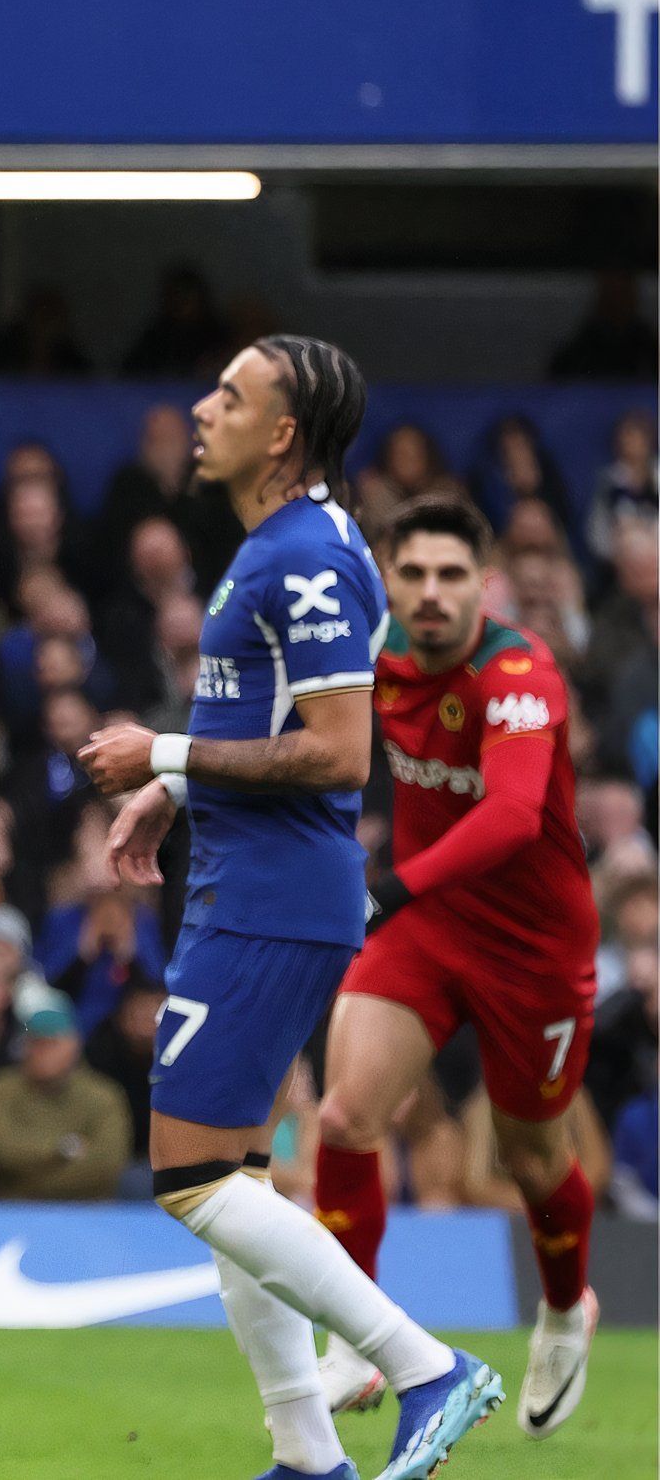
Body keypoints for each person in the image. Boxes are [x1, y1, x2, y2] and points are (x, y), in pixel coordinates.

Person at [82, 337, 498, 1480]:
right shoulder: (282, 546)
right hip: (246, 886)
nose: (201, 408)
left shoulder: (303, 557)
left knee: (196, 1180)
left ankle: (423, 1367)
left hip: (271, 900)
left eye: (229, 395)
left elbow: (336, 752)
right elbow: (268, 715)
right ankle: (304, 1455)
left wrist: (160, 750)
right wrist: (174, 789)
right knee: (236, 1176)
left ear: (282, 435)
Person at [308, 497, 600, 1435]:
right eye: (414, 575)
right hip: (433, 926)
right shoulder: (370, 655)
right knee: (347, 1117)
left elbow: (514, 817)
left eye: (452, 575)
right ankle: (357, 1335)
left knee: (531, 1156)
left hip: (534, 949)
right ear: (387, 581)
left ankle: (565, 1309)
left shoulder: (519, 671)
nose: (432, 594)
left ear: (487, 584)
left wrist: (388, 886)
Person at [0, 1002, 129, 1201]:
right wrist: (64, 1150)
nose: (43, 1052)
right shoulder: (1, 1088)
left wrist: (30, 1176)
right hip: (12, 1210)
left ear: (75, 1045)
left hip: (86, 1211)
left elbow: (106, 1165)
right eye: (36, 1043)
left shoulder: (103, 1094)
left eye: (52, 1043)